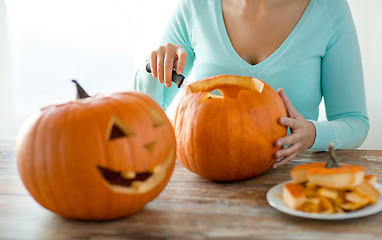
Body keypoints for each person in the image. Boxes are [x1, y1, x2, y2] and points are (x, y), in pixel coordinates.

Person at [130, 0, 369, 168]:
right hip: (207, 180)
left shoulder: (329, 9)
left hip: (291, 180)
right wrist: (154, 67)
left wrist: (313, 134)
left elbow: (355, 122)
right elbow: (146, 114)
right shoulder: (195, 7)